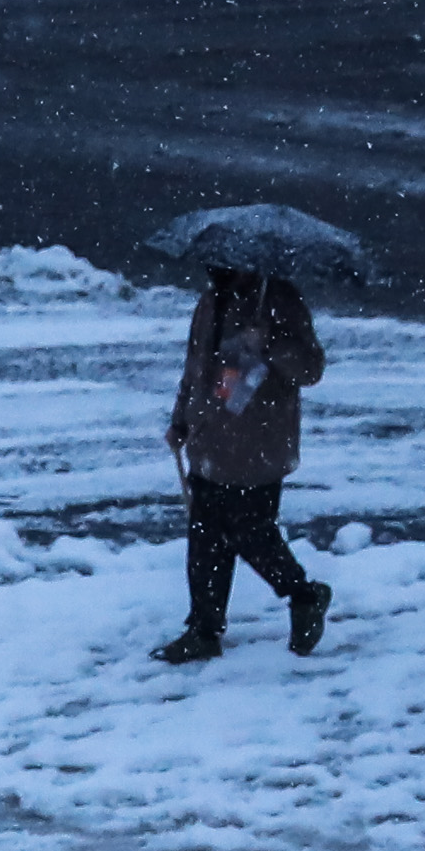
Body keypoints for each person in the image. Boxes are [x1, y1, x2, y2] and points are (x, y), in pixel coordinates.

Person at [162, 264, 331, 665]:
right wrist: (181, 419)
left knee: (251, 535)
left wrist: (269, 342)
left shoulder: (278, 299)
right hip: (208, 438)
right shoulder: (209, 302)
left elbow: (310, 368)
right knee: (205, 540)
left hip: (259, 443)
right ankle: (203, 629)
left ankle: (304, 595)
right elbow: (195, 367)